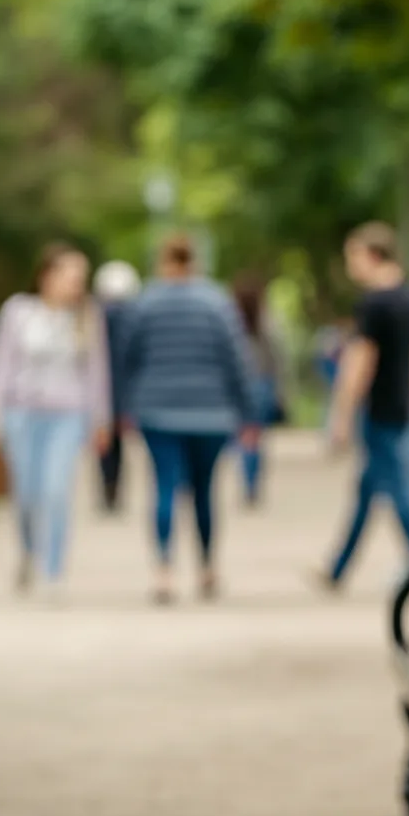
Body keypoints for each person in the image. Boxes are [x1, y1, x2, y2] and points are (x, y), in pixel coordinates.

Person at [122, 234, 257, 604]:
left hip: (157, 411)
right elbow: (237, 360)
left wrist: (124, 406)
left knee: (165, 486)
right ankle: (207, 568)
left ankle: (164, 571)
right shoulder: (217, 302)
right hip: (211, 414)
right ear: (195, 261)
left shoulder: (145, 303)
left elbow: (128, 358)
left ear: (162, 261)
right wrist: (247, 414)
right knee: (204, 491)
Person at [0, 242, 111, 594]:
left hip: (68, 414)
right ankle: (27, 550)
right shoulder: (18, 312)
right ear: (46, 275)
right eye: (71, 276)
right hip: (21, 414)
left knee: (55, 491)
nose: (77, 284)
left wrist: (101, 419)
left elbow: (97, 371)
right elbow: (0, 366)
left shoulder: (87, 315)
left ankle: (53, 571)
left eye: (81, 277)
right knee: (25, 493)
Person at [324, 222, 409, 586]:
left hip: (379, 409)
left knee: (396, 487)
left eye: (352, 256)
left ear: (371, 255)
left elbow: (359, 362)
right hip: (401, 404)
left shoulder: (374, 303)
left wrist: (342, 415)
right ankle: (336, 569)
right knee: (368, 489)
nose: (351, 265)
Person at [231, 272, 287, 506]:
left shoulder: (231, 322)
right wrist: (281, 391)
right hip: (262, 384)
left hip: (240, 384)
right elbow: (277, 359)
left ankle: (248, 479)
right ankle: (253, 482)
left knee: (243, 436)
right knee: (256, 437)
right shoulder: (267, 322)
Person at [92, 259, 143, 512]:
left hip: (104, 390)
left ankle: (108, 487)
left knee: (104, 445)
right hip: (119, 391)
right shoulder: (132, 318)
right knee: (115, 445)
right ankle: (113, 489)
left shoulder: (96, 315)